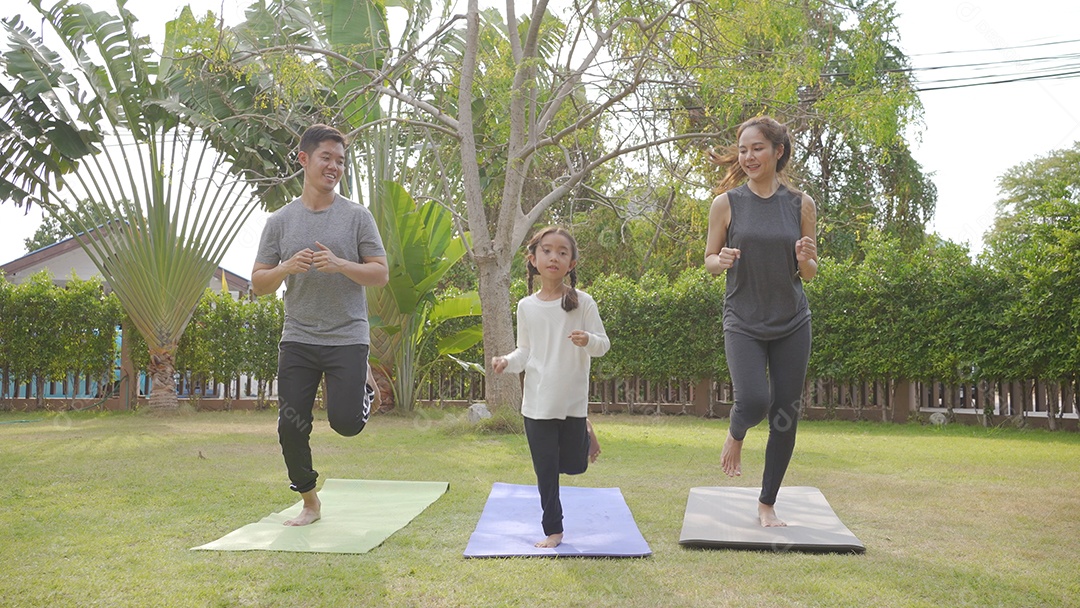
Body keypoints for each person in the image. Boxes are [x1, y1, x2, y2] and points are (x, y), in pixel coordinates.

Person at [251, 124, 389, 526]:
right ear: (304, 159)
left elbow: (380, 273)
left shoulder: (356, 217)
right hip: (298, 337)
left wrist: (341, 265)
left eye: (341, 161)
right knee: (291, 428)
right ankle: (310, 502)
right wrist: (285, 267)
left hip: (347, 336)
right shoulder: (280, 222)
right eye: (326, 158)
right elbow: (259, 283)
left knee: (346, 424)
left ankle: (363, 384)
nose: (334, 167)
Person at [704, 116, 818, 527]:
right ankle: (736, 432)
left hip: (792, 321)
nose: (748, 156)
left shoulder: (801, 203)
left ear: (778, 151)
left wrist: (806, 258)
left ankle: (767, 503)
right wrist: (724, 259)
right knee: (752, 400)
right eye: (743, 148)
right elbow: (710, 261)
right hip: (743, 319)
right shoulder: (727, 204)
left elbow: (808, 272)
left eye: (757, 148)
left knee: (785, 414)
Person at [491, 226, 608, 548]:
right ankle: (553, 530)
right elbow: (525, 352)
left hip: (572, 403)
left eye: (562, 252)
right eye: (546, 250)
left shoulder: (583, 303)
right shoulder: (526, 306)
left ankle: (585, 430)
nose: (553, 256)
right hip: (537, 404)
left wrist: (588, 340)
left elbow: (604, 344)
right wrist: (506, 361)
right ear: (532, 259)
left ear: (571, 264)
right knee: (546, 472)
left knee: (574, 466)